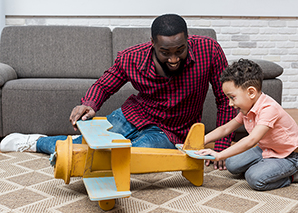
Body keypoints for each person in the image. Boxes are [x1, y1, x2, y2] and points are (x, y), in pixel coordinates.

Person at [1, 14, 236, 169]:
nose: (174, 58)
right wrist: (89, 103)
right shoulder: (132, 57)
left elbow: (226, 99)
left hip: (173, 131)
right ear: (153, 43)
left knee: (129, 158)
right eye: (166, 52)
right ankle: (37, 142)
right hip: (135, 114)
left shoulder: (209, 50)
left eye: (180, 50)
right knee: (88, 142)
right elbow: (105, 84)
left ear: (188, 40)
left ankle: (73, 154)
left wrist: (225, 146)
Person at [195, 58, 298, 190]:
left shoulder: (269, 109)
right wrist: (202, 140)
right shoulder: (247, 108)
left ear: (251, 92)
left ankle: (293, 175)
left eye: (232, 97)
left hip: (288, 156)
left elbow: (251, 140)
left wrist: (219, 155)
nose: (230, 103)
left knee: (255, 179)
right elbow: (225, 129)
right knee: (231, 164)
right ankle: (266, 166)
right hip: (265, 149)